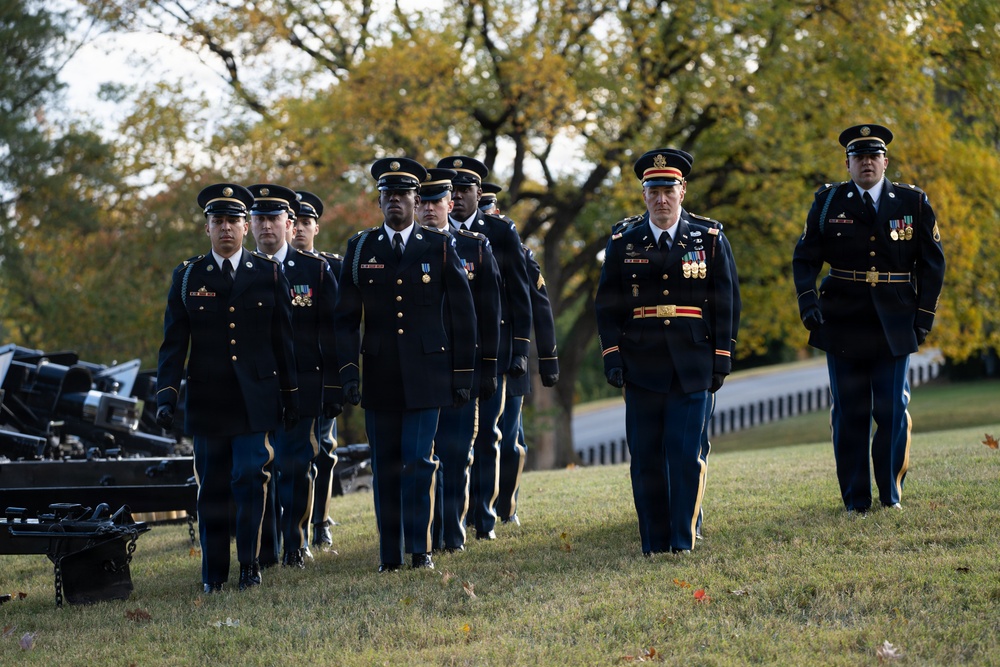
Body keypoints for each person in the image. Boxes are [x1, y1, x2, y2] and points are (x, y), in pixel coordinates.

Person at [792, 123, 946, 513]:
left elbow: (933, 264)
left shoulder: (912, 202)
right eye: (858, 157)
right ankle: (855, 499)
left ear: (885, 161)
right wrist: (808, 302)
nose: (866, 163)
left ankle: (890, 493)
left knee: (891, 410)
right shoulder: (828, 201)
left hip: (895, 319)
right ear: (847, 164)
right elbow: (805, 257)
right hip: (841, 319)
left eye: (873, 156)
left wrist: (924, 315)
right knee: (849, 412)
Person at [335, 157, 478, 571]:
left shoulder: (439, 245)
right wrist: (348, 372)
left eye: (402, 194)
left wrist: (463, 373)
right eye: (388, 194)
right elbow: (345, 319)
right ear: (379, 201)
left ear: (416, 200)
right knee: (385, 467)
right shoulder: (361, 248)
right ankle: (389, 555)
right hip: (380, 375)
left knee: (419, 462)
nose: (395, 201)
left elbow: (463, 314)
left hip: (428, 374)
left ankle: (420, 549)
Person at [155, 183, 298, 592]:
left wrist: (290, 397)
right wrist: (167, 396)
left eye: (233, 221)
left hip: (256, 400)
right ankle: (213, 574)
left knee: (251, 477)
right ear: (207, 228)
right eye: (217, 221)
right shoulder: (188, 276)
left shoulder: (269, 273)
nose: (225, 229)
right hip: (209, 401)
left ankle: (250, 564)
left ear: (245, 227)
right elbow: (173, 344)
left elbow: (283, 342)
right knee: (213, 488)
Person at [595, 148, 738, 555]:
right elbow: (607, 304)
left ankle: (682, 539)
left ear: (682, 191)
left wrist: (722, 358)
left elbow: (727, 300)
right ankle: (654, 543)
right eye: (654, 191)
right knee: (645, 458)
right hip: (641, 364)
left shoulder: (709, 238)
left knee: (685, 454)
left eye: (668, 190)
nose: (661, 199)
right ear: (644, 195)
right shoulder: (624, 240)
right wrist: (612, 355)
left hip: (694, 362)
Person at [437, 155, 532, 540]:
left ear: (479, 193)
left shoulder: (500, 231)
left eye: (465, 190)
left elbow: (520, 294)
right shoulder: (434, 234)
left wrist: (521, 350)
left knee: (489, 435)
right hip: (450, 356)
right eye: (453, 190)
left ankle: (485, 515)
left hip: (495, 352)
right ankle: (454, 516)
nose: (458, 196)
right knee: (454, 441)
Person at [248, 183, 340, 567]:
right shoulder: (242, 270)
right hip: (256, 387)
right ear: (250, 224)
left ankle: (295, 544)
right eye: (259, 219)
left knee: (297, 466)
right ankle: (266, 548)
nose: (267, 226)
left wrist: (333, 386)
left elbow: (333, 333)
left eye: (274, 218)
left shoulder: (315, 270)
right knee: (260, 468)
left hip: (304, 385)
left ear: (289, 224)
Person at [416, 167, 502, 553]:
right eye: (423, 202)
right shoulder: (406, 251)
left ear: (450, 205)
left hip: (461, 369)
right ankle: (426, 533)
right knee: (423, 454)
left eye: (436, 202)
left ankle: (452, 533)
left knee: (456, 453)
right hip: (419, 371)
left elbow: (489, 313)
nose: (429, 209)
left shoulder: (475, 247)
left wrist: (487, 368)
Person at [290, 189, 343, 552]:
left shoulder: (330, 267)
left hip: (318, 376)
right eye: (294, 222)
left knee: (322, 451)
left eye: (306, 222)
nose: (299, 229)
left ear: (316, 228)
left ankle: (320, 520)